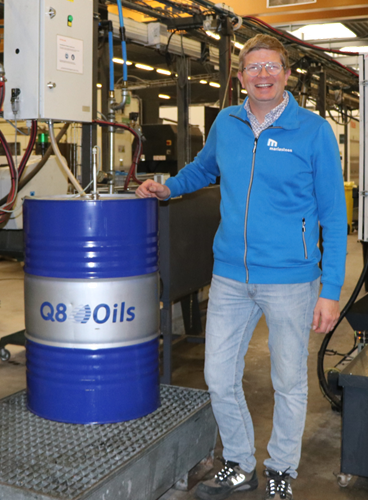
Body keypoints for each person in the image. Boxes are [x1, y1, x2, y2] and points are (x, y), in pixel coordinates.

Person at [135, 34, 346, 500]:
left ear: (286, 74)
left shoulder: (312, 131)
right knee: (218, 377)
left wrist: (331, 290)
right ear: (241, 76)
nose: (263, 75)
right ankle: (239, 463)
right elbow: (202, 169)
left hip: (291, 279)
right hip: (230, 275)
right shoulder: (227, 123)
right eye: (254, 67)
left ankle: (282, 468)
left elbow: (335, 215)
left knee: (288, 382)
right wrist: (168, 187)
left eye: (271, 67)